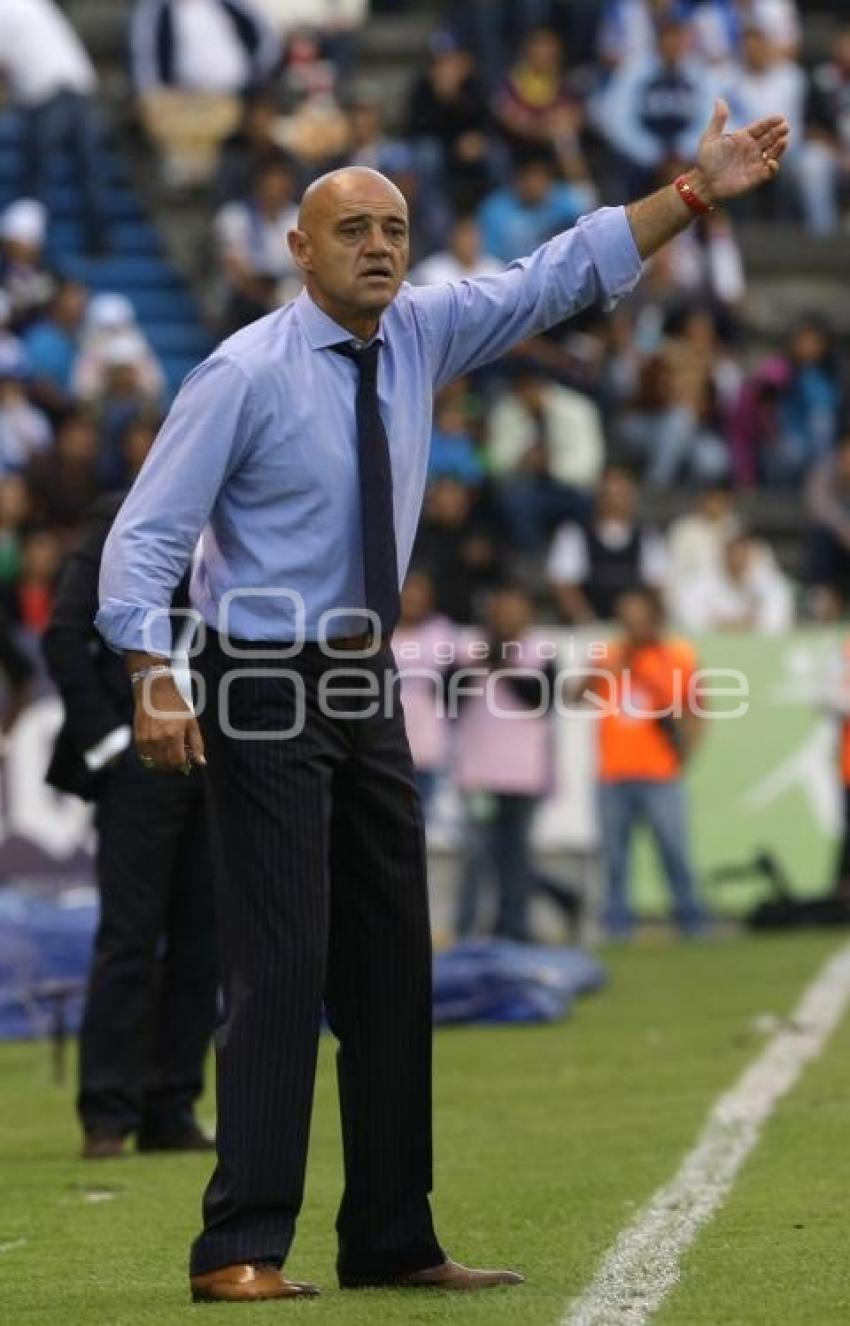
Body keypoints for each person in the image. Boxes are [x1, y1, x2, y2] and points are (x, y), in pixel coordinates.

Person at [95, 100, 789, 1301]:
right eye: (351, 228)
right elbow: (144, 541)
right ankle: (240, 1245)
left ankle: (390, 1237)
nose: (378, 246)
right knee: (282, 954)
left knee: (389, 959)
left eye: (395, 228)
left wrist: (691, 193)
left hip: (366, 677)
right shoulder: (241, 373)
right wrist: (157, 676)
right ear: (299, 252)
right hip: (259, 675)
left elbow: (557, 273)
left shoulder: (421, 335)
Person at [42, 486, 218, 1159]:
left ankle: (171, 1108)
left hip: (223, 751)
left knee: (206, 940)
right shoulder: (129, 508)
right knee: (130, 937)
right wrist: (111, 745)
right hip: (141, 754)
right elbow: (64, 632)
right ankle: (108, 1114)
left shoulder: (238, 513)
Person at [579, 586, 705, 937]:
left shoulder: (677, 655)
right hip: (613, 771)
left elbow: (695, 709)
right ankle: (618, 926)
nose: (631, 623)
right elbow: (576, 695)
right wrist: (601, 670)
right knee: (615, 859)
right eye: (626, 616)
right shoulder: (607, 654)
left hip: (660, 772)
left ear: (653, 617)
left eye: (638, 615)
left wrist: (687, 757)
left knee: (674, 851)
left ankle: (692, 920)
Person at [0, 0, 107, 252]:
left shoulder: (5, 9)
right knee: (88, 171)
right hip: (78, 85)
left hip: (47, 92)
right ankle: (100, 242)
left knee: (38, 173)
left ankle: (32, 246)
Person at [547, 464, 668, 624]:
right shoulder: (573, 534)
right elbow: (563, 584)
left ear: (632, 498)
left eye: (621, 495)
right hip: (587, 625)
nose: (615, 501)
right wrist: (586, 620)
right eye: (608, 495)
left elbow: (657, 586)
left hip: (635, 627)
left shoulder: (648, 537)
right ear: (598, 497)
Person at [671, 529, 795, 633]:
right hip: (714, 644)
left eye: (743, 553)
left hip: (754, 645)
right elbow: (689, 616)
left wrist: (748, 625)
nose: (738, 558)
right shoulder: (704, 578)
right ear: (724, 554)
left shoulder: (767, 579)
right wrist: (723, 625)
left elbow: (778, 617)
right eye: (734, 553)